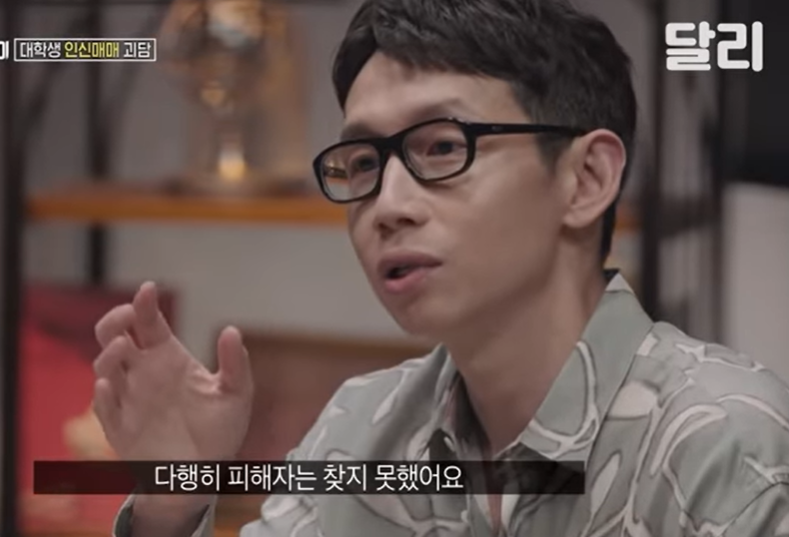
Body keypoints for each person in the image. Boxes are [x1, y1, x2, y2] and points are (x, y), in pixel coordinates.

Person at [92, 0, 789, 535]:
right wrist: (170, 503)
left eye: (442, 147)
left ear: (586, 179)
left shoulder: (721, 444)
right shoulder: (360, 430)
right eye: (363, 162)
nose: (388, 205)